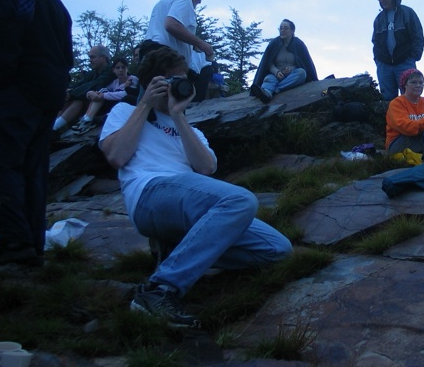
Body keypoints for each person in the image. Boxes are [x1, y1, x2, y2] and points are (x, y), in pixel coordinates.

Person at [99, 46, 292, 327]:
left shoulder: (192, 128)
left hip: (185, 197)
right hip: (149, 191)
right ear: (152, 82)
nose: (179, 84)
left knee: (277, 249)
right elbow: (116, 156)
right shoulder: (124, 111)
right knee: (240, 201)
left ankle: (179, 249)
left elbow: (206, 168)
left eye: (182, 78)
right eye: (171, 79)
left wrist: (178, 114)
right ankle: (160, 289)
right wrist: (145, 105)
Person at [0, 0, 73, 262]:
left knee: (5, 162)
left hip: (19, 91)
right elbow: (68, 56)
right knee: (34, 167)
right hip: (51, 95)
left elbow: (8, 44)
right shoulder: (58, 5)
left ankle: (15, 241)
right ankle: (34, 242)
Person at [143, 0, 213, 102]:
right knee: (167, 106)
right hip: (165, 60)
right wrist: (201, 44)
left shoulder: (165, 0)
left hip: (152, 55)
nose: (200, 0)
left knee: (147, 104)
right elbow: (171, 25)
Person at [372, 0, 424, 102]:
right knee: (387, 100)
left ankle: (412, 121)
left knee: (410, 97)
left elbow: (418, 36)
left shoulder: (408, 13)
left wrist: (414, 57)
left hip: (405, 62)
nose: (382, 0)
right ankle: (392, 121)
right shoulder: (378, 19)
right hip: (384, 65)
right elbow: (375, 42)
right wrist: (378, 60)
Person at [250, 19, 317, 103]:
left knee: (301, 73)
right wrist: (276, 72)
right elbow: (268, 63)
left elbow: (304, 64)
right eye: (281, 28)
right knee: (268, 78)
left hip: (291, 77)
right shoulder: (274, 43)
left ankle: (275, 90)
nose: (282, 30)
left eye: (285, 28)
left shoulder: (299, 44)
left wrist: (291, 69)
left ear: (292, 31)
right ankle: (266, 92)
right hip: (276, 75)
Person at [52, 44, 114, 133]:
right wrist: (68, 91)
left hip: (104, 105)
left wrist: (71, 93)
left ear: (103, 58)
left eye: (92, 57)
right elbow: (81, 83)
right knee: (66, 98)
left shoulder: (111, 71)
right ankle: (52, 124)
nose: (90, 60)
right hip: (92, 103)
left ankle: (54, 127)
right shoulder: (93, 72)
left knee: (78, 101)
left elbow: (95, 85)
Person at [69, 57, 139, 134]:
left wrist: (103, 95)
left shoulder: (132, 79)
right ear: (113, 70)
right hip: (113, 105)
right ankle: (86, 119)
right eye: (118, 68)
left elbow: (124, 94)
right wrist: (91, 93)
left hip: (124, 106)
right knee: (100, 94)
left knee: (102, 94)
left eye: (123, 67)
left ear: (127, 69)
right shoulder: (114, 82)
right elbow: (102, 90)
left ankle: (87, 120)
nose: (121, 70)